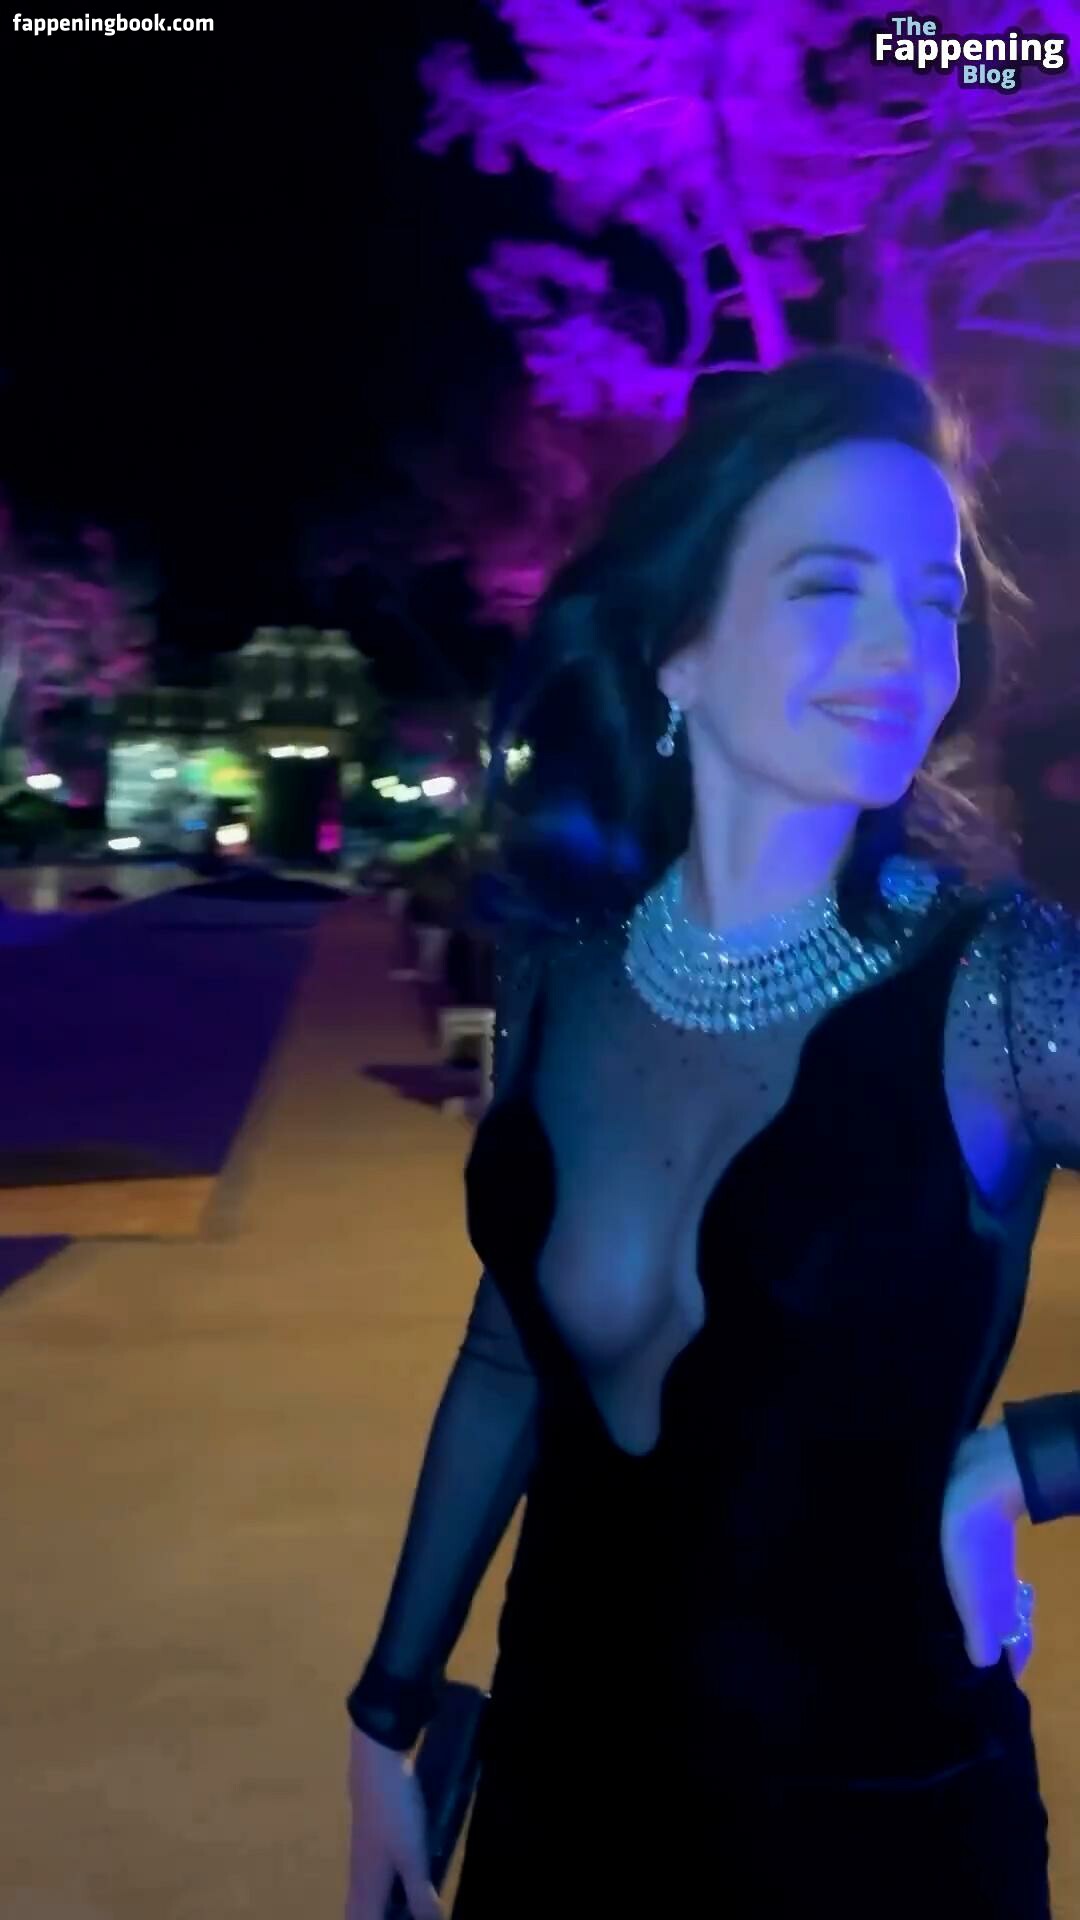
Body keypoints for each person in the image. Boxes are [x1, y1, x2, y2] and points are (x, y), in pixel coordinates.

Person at [343, 350, 1080, 1918]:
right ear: (678, 649)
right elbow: (507, 1357)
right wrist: (386, 1714)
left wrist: (1019, 1465)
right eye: (829, 586)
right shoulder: (563, 972)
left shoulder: (1002, 984)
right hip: (562, 1793)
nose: (900, 650)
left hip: (884, 1833)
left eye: (933, 601)